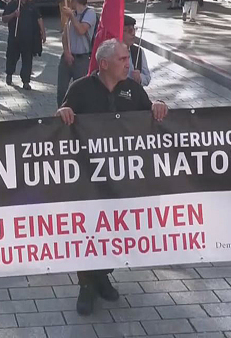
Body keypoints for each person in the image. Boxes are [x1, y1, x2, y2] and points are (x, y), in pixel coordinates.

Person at [57, 39, 168, 315]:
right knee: (88, 231)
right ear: (104, 64)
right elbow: (60, 119)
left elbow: (149, 113)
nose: (127, 62)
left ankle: (102, 274)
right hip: (86, 179)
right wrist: (63, 113)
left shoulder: (132, 89)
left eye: (127, 58)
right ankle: (86, 285)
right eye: (122, 59)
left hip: (122, 180)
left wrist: (159, 105)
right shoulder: (80, 88)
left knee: (117, 230)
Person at [56, 0, 97, 106]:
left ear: (76, 0)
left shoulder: (90, 13)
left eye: (71, 0)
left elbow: (81, 30)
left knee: (80, 90)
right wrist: (66, 52)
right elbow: (65, 35)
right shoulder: (72, 14)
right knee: (62, 90)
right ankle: (61, 111)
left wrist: (72, 17)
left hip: (82, 58)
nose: (69, 3)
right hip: (68, 56)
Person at [2, 0, 45, 90]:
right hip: (14, 37)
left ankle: (26, 81)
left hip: (28, 38)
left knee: (27, 60)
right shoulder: (11, 5)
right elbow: (4, 19)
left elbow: (39, 18)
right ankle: (9, 73)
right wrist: (13, 15)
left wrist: (43, 32)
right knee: (12, 57)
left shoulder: (32, 6)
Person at [122, 15, 151, 86]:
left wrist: (140, 78)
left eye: (134, 29)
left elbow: (147, 77)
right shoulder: (110, 53)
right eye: (129, 31)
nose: (133, 33)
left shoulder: (138, 51)